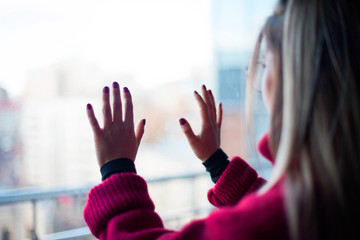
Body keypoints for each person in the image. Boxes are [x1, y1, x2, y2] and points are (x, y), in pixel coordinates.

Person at [83, 0, 360, 239]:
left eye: (266, 63)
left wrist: (116, 169)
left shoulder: (296, 217)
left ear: (293, 80)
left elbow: (268, 220)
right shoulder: (337, 194)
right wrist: (216, 162)